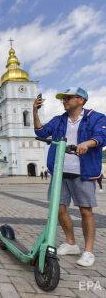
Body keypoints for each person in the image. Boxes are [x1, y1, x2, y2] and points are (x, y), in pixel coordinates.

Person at [33, 87, 106, 267]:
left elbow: (102, 135)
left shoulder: (96, 117)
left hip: (84, 171)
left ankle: (88, 251)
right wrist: (35, 111)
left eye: (67, 98)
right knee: (58, 208)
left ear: (80, 100)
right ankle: (71, 242)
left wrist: (87, 144)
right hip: (60, 171)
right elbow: (41, 132)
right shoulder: (59, 120)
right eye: (63, 99)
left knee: (85, 211)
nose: (64, 101)